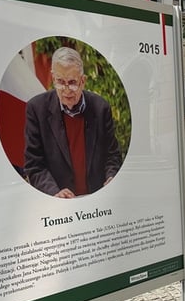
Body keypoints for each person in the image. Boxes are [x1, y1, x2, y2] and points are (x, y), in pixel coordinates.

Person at [24, 46, 122, 198]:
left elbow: (112, 155)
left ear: (83, 81)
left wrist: (111, 178)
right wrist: (53, 191)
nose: (66, 89)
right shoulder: (36, 110)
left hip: (97, 199)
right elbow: (35, 165)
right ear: (53, 78)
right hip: (60, 204)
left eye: (72, 82)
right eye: (60, 82)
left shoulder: (101, 108)